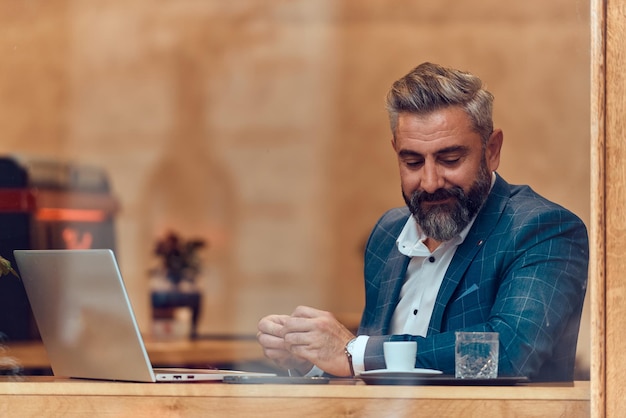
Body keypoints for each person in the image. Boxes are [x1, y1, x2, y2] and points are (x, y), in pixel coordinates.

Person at [256, 62, 589, 382]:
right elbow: (369, 375)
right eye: (413, 162)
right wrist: (311, 361)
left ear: (492, 150)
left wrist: (354, 352)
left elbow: (509, 353)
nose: (430, 182)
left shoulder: (545, 229)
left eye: (450, 159)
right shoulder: (387, 233)